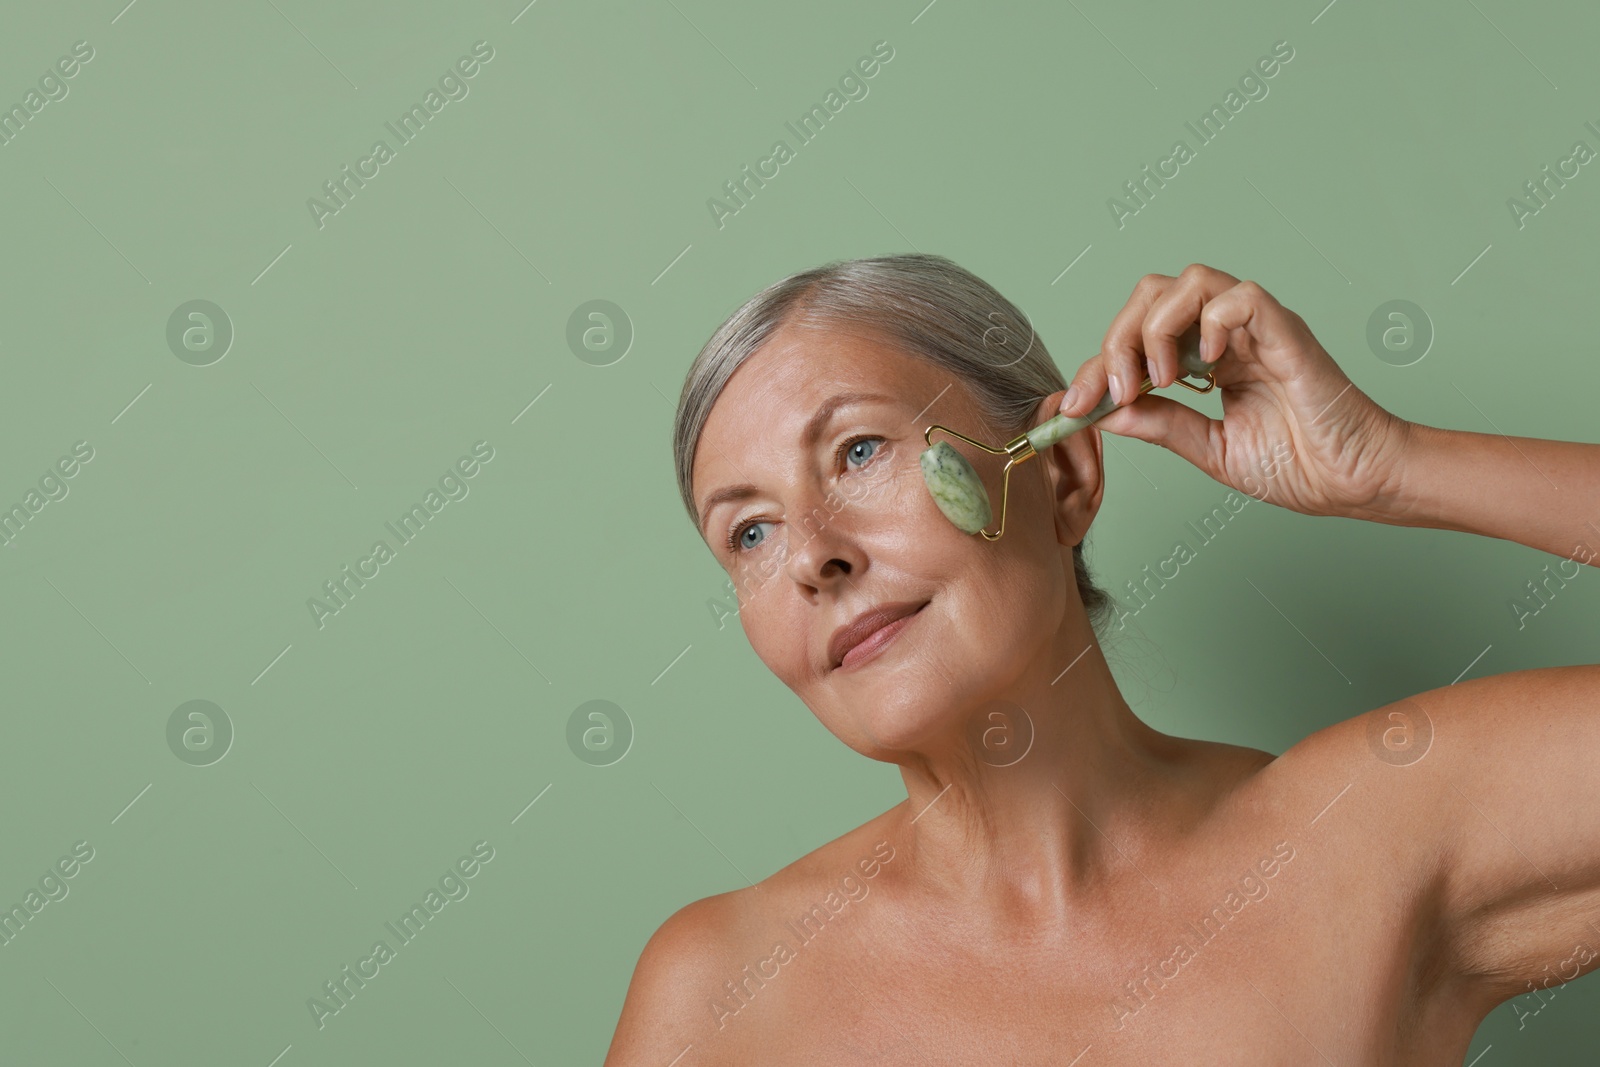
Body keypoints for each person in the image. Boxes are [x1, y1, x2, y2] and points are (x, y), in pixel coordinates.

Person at [603, 255, 1600, 1064]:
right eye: (749, 534)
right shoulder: (721, 989)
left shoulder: (1373, 838)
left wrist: (1390, 465)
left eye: (860, 450)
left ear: (1068, 473)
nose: (814, 553)